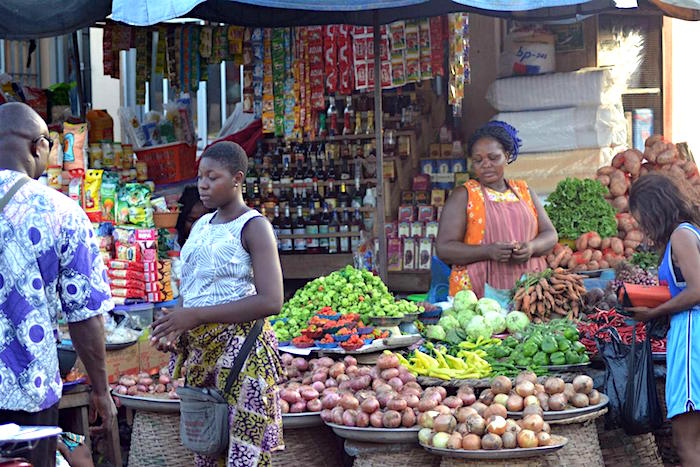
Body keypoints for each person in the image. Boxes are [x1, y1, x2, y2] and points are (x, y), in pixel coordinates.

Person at [150, 141, 284, 466]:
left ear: (237, 178)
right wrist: (175, 328)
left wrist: (195, 315)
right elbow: (193, 288)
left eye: (213, 177)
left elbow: (272, 300)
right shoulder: (199, 227)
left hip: (243, 356)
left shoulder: (254, 226)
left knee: (245, 457)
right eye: (200, 177)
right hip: (202, 358)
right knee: (207, 452)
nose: (203, 185)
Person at [0, 103, 116, 467]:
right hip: (27, 394)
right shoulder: (60, 213)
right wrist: (101, 390)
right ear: (38, 146)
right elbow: (85, 317)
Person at [626, 173, 700, 465]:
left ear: (655, 207)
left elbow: (697, 289)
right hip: (688, 334)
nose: (641, 225)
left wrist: (653, 312)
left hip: (692, 338)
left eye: (640, 216)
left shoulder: (681, 235)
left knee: (686, 442)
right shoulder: (690, 231)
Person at [436, 121, 558, 297]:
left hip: (530, 290)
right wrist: (487, 251)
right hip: (478, 294)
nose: (486, 164)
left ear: (507, 156)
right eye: (478, 160)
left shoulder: (524, 192)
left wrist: (531, 247)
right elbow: (444, 248)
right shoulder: (464, 196)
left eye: (493, 158)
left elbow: (550, 234)